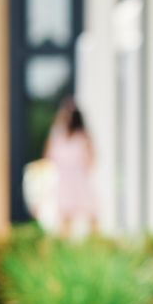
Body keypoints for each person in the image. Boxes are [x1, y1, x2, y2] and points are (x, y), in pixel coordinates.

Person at [43, 97, 98, 237]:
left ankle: (94, 243)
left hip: (78, 180)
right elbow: (48, 156)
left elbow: (91, 160)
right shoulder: (57, 136)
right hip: (65, 181)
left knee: (90, 214)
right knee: (65, 217)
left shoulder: (82, 137)